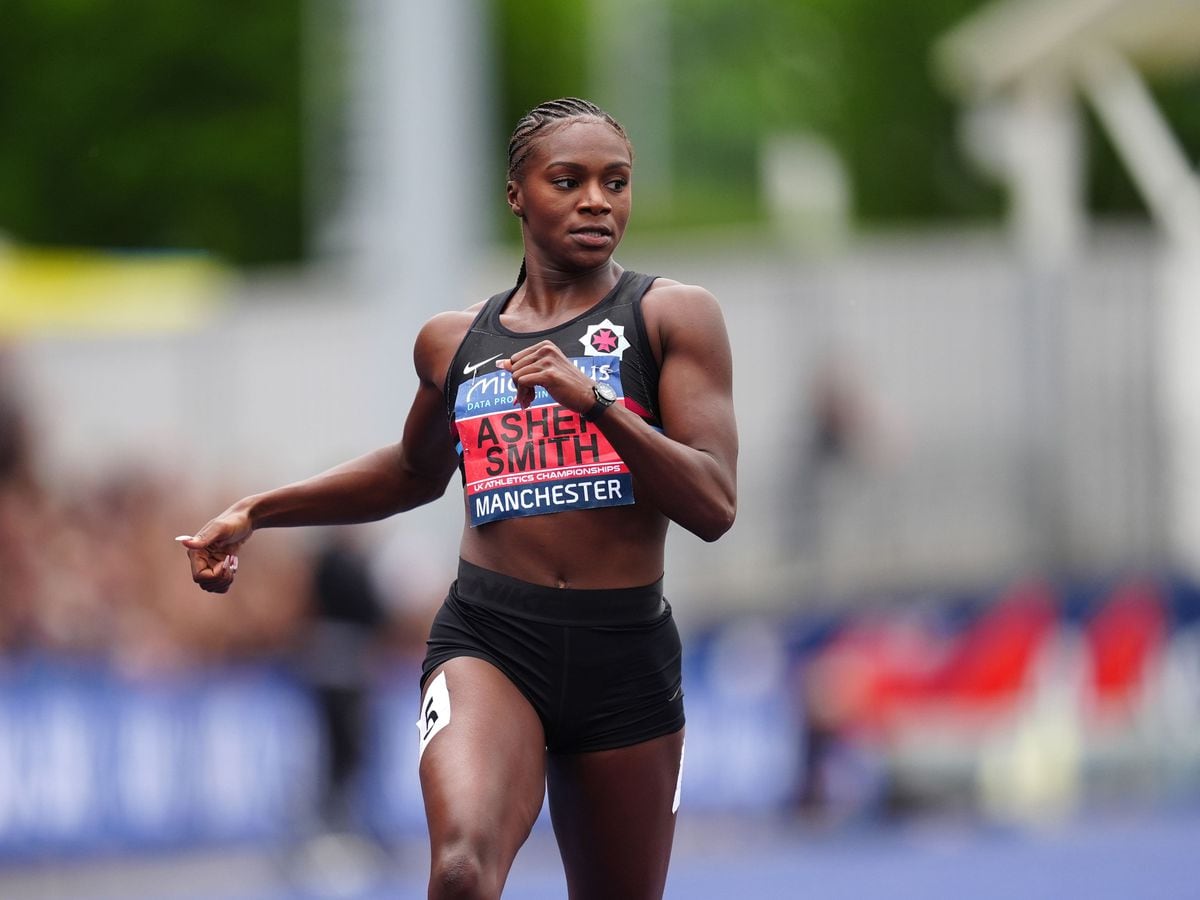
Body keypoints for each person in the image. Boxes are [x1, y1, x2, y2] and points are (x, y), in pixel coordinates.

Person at [179, 97, 738, 899]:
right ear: (517, 194)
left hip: (626, 654)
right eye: (567, 180)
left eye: (615, 183)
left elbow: (714, 505)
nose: (596, 201)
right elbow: (411, 472)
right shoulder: (456, 342)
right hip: (492, 639)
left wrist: (598, 407)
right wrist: (257, 511)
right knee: (461, 869)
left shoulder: (670, 317)